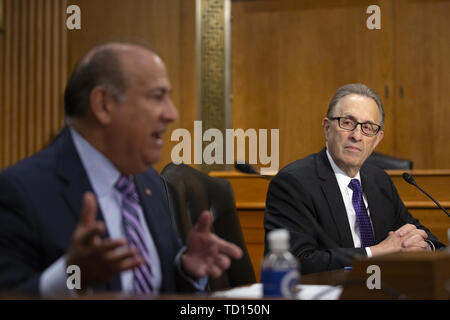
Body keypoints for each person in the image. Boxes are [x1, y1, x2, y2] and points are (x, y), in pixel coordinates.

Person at [0, 42, 242, 296]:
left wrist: (185, 269)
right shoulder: (19, 191)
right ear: (103, 105)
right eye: (157, 96)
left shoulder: (149, 182)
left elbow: (157, 287)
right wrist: (70, 276)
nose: (171, 113)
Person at [264, 83, 444, 274]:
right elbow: (296, 261)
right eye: (348, 123)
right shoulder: (293, 183)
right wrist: (377, 251)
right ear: (327, 128)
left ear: (377, 139)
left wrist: (424, 247)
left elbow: (421, 235)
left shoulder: (379, 181)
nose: (357, 135)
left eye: (368, 127)